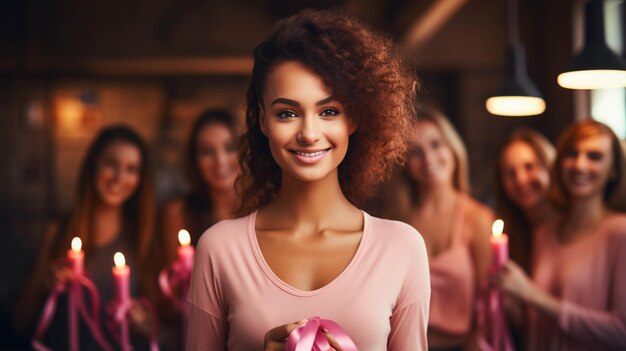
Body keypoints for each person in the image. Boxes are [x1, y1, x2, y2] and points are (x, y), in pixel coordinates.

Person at [187, 9, 430, 351]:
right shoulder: (219, 250)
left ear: (355, 118)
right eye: (287, 113)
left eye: (328, 111)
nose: (309, 133)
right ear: (262, 120)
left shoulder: (402, 249)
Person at [15, 125, 158, 349]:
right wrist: (46, 282)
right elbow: (21, 322)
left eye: (132, 169)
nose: (120, 177)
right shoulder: (57, 231)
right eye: (111, 163)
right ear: (93, 165)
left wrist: (145, 323)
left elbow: (159, 326)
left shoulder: (142, 235)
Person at [500, 119, 626, 350]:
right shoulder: (544, 234)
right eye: (572, 153)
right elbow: (537, 326)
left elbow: (622, 332)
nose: (580, 164)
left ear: (614, 171)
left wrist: (532, 295)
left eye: (595, 156)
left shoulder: (620, 233)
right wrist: (513, 307)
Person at [389, 108, 493, 350]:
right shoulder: (396, 223)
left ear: (453, 148)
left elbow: (491, 303)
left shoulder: (478, 219)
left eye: (436, 144)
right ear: (404, 162)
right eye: (416, 151)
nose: (428, 159)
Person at [160, 109, 240, 263]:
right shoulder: (178, 213)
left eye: (230, 148)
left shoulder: (264, 207)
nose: (220, 161)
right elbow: (175, 282)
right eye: (207, 151)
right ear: (194, 160)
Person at [495, 128, 557, 272]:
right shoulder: (511, 234)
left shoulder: (571, 228)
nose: (520, 180)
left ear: (549, 166)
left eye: (529, 167)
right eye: (510, 173)